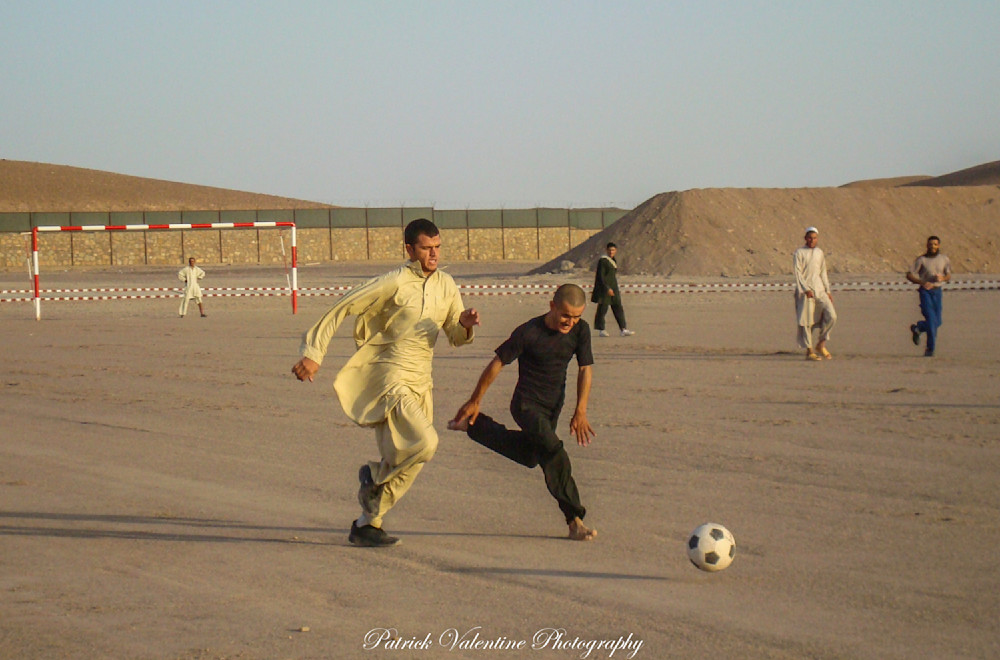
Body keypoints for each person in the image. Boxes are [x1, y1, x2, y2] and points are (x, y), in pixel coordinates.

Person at [291, 219, 479, 547]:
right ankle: (374, 481)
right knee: (426, 443)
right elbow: (342, 306)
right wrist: (314, 352)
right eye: (426, 248)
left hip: (423, 381)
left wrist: (464, 325)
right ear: (409, 249)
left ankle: (367, 524)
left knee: (407, 456)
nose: (433, 254)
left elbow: (455, 336)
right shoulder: (394, 282)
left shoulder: (447, 285)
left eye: (437, 248)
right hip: (391, 376)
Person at [448, 283, 598, 541]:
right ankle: (575, 519)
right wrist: (475, 400)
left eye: (576, 317)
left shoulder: (580, 331)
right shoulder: (529, 332)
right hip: (526, 405)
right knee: (554, 452)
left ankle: (474, 427)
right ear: (552, 306)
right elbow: (497, 363)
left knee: (531, 456)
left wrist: (580, 411)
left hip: (553, 406)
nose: (570, 322)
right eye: (565, 315)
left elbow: (585, 368)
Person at [793, 227, 837, 360]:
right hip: (805, 292)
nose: (812, 240)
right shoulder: (799, 253)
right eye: (810, 238)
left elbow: (823, 272)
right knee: (807, 321)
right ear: (805, 238)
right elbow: (798, 273)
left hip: (820, 290)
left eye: (815, 238)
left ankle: (821, 344)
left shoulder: (819, 252)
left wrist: (827, 290)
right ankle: (809, 351)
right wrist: (806, 289)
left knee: (832, 316)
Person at [906, 235, 952, 357]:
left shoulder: (944, 259)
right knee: (932, 321)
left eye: (935, 244)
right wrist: (922, 282)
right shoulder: (921, 260)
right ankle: (930, 349)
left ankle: (919, 328)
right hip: (925, 292)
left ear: (939, 246)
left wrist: (943, 278)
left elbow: (948, 275)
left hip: (937, 291)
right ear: (927, 245)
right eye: (931, 244)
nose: (933, 246)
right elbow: (909, 274)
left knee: (938, 322)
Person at [591, 242, 634, 337]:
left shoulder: (613, 260)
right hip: (605, 288)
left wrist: (612, 288)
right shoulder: (603, 261)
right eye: (610, 250)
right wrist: (607, 288)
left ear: (616, 251)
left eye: (613, 250)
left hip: (614, 287)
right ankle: (601, 329)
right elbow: (600, 276)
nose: (611, 252)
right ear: (606, 250)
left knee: (618, 307)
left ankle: (623, 329)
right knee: (602, 309)